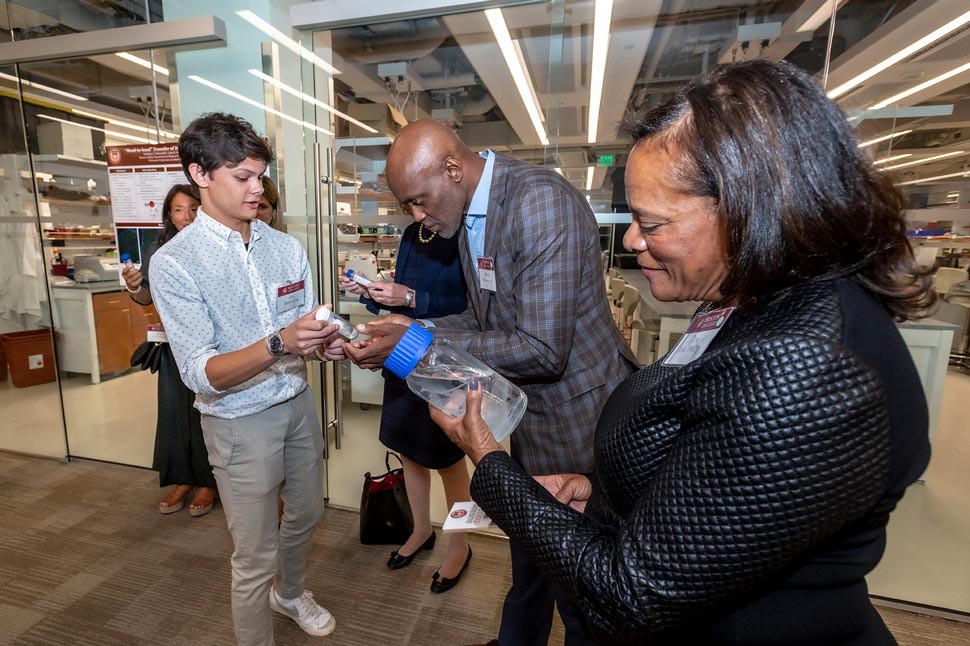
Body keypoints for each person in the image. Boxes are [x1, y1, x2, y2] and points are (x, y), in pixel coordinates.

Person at [432, 59, 935, 645]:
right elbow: (723, 473)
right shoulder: (751, 297)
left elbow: (632, 595)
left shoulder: (804, 364)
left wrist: (487, 460)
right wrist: (600, 494)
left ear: (749, 211)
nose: (631, 239)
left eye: (653, 222)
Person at [340, 119, 638, 645]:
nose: (418, 216)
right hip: (531, 411)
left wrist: (415, 344)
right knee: (528, 556)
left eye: (419, 200)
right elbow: (486, 324)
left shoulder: (537, 203)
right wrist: (409, 332)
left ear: (453, 168)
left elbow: (541, 348)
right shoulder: (469, 214)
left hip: (578, 417)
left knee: (579, 586)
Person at [149, 112, 344, 646]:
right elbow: (200, 373)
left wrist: (338, 344)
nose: (258, 188)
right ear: (201, 174)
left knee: (306, 513)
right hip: (238, 420)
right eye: (243, 176)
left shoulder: (286, 248)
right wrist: (281, 341)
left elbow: (309, 332)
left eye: (260, 174)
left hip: (298, 401)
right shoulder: (175, 264)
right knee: (254, 554)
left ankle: (292, 592)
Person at [339, 221, 470, 592]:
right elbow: (398, 302)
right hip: (405, 354)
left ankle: (459, 544)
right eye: (408, 203)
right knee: (409, 452)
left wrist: (411, 297)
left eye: (418, 200)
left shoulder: (465, 233)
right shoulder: (414, 233)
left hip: (445, 358)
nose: (415, 210)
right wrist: (371, 291)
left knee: (449, 462)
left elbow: (473, 309)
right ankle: (422, 528)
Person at [122, 183, 218, 517]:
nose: (186, 216)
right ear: (169, 214)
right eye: (178, 209)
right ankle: (183, 478)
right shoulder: (158, 248)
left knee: (205, 412)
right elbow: (146, 297)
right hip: (172, 346)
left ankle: (209, 481)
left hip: (209, 345)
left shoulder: (214, 244)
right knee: (176, 413)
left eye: (193, 208)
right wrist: (134, 286)